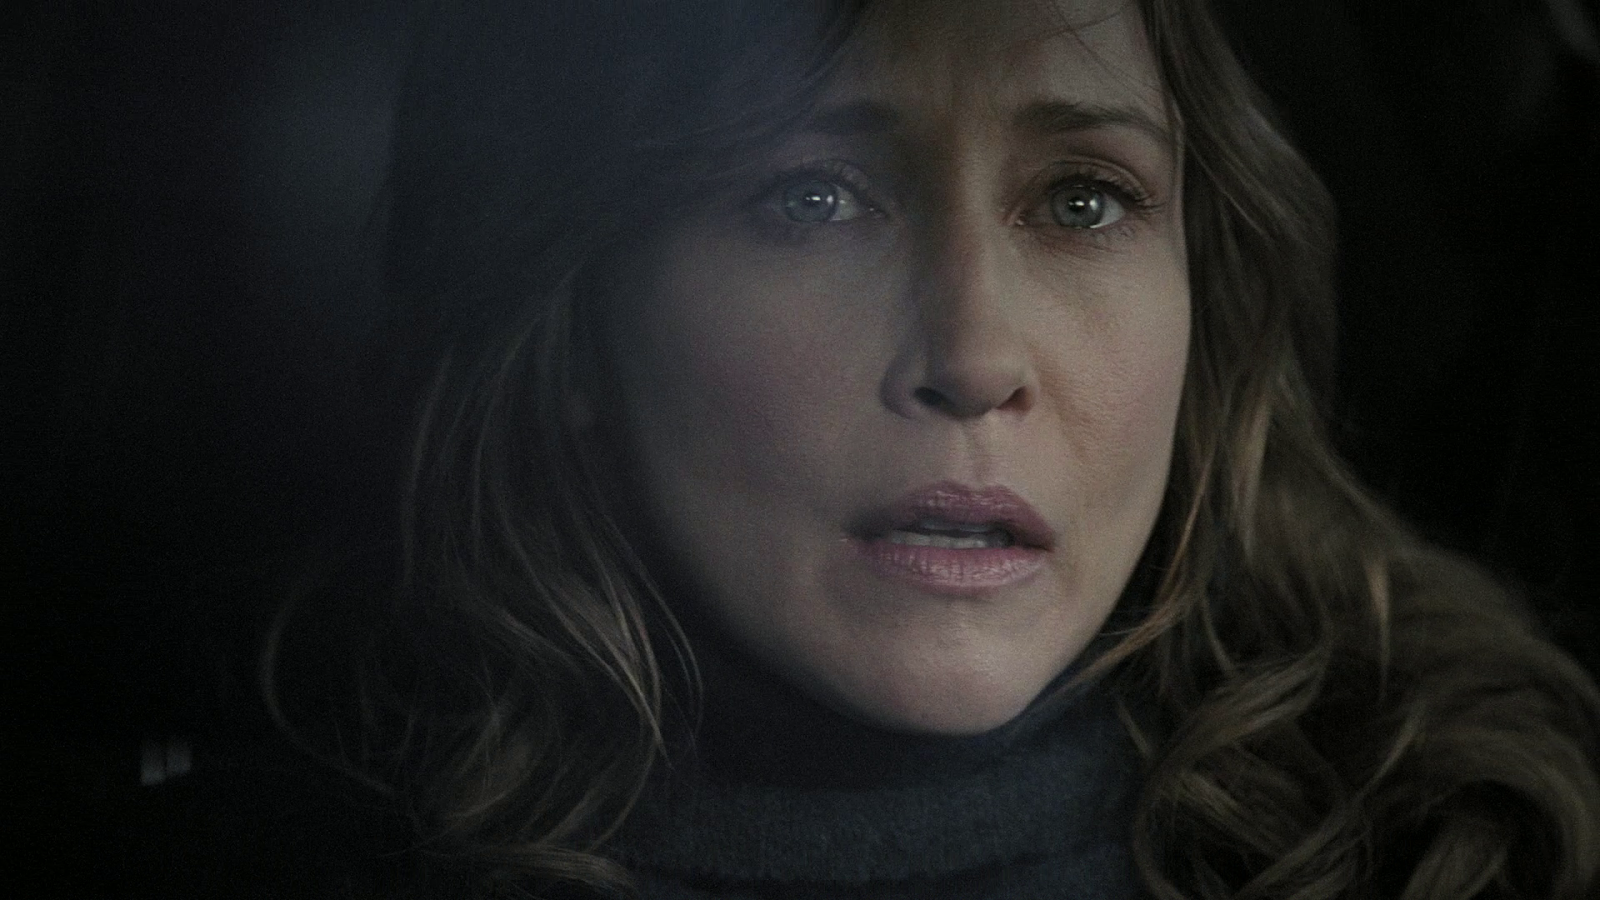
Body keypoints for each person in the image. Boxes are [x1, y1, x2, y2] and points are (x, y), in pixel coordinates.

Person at [265, 0, 1600, 897]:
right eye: (813, 197)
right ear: (571, 326)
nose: (972, 354)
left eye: (1084, 201)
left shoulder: (1469, 845)